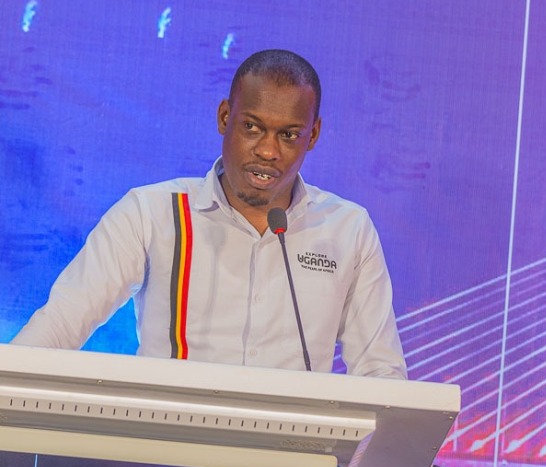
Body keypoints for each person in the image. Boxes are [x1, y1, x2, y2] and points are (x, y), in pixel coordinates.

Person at [12, 49, 407, 379]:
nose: (268, 151)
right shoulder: (151, 213)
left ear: (313, 135)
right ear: (224, 117)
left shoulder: (347, 229)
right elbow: (61, 324)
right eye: (252, 127)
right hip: (166, 444)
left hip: (296, 451)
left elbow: (381, 373)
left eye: (289, 135)